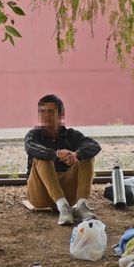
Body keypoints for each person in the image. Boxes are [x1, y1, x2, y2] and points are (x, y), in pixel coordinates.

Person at [25, 94, 101, 225]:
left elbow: (94, 146)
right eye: (42, 112)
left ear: (61, 115)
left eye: (50, 112)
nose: (45, 116)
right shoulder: (34, 135)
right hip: (40, 194)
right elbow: (30, 147)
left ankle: (82, 206)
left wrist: (76, 154)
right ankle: (62, 206)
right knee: (41, 157)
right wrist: (57, 154)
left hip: (67, 194)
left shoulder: (71, 135)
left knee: (87, 156)